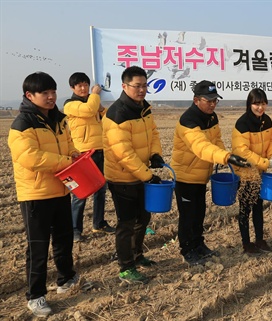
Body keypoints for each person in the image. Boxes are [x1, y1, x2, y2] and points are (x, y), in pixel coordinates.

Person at [8, 72, 79, 317]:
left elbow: (69, 145)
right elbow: (30, 158)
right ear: (29, 96)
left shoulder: (59, 120)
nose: (51, 97)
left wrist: (75, 155)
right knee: (37, 247)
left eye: (53, 92)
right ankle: (35, 296)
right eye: (44, 93)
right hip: (35, 194)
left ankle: (66, 279)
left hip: (61, 189)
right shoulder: (22, 125)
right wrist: (65, 160)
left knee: (64, 239)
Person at [171, 80, 249, 265]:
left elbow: (216, 142)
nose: (213, 104)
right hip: (186, 176)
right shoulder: (188, 121)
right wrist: (226, 157)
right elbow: (201, 147)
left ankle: (198, 244)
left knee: (199, 212)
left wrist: (227, 156)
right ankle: (187, 249)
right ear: (196, 100)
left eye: (215, 100)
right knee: (188, 215)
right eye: (209, 100)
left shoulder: (212, 117)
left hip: (201, 176)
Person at [103, 66, 163, 284]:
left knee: (143, 218)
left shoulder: (143, 108)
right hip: (122, 177)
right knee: (126, 223)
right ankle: (126, 268)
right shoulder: (117, 113)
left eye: (145, 85)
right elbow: (123, 153)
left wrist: (156, 153)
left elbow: (153, 133)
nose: (142, 90)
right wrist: (147, 175)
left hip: (141, 174)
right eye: (137, 86)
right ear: (124, 86)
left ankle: (137, 256)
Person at [63, 72, 114, 242]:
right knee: (81, 193)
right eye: (80, 85)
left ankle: (98, 223)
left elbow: (106, 118)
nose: (84, 88)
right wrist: (95, 95)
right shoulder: (70, 105)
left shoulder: (92, 103)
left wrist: (101, 108)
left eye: (86, 84)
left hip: (100, 149)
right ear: (73, 88)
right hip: (84, 153)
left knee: (101, 189)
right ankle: (75, 229)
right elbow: (88, 110)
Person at [231, 88, 272, 254]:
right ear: (249, 104)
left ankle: (260, 239)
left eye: (263, 103)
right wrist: (263, 162)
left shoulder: (267, 121)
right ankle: (246, 243)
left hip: (259, 173)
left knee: (258, 207)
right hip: (245, 173)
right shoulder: (242, 123)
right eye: (256, 103)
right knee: (245, 208)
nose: (260, 107)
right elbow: (242, 151)